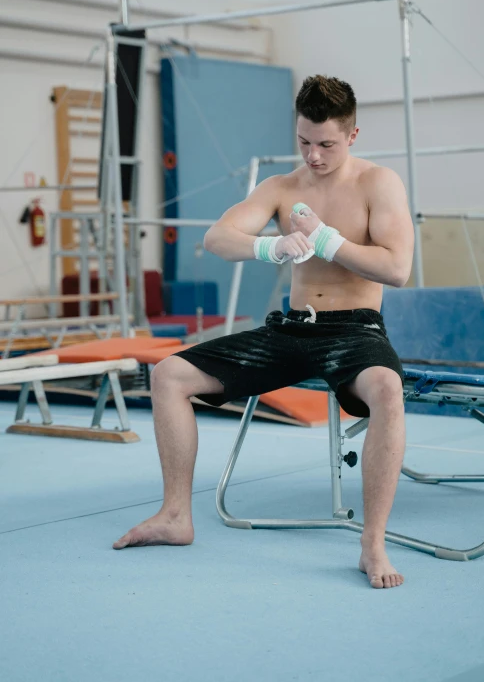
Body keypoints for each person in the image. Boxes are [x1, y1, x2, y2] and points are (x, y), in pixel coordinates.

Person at [114, 75, 414, 590]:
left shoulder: (378, 183)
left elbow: (397, 268)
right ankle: (175, 516)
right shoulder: (282, 188)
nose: (314, 155)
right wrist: (269, 249)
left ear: (353, 134)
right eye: (304, 142)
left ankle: (372, 543)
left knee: (387, 388)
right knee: (169, 375)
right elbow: (217, 238)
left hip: (355, 331)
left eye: (327, 144)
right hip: (292, 329)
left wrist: (326, 241)